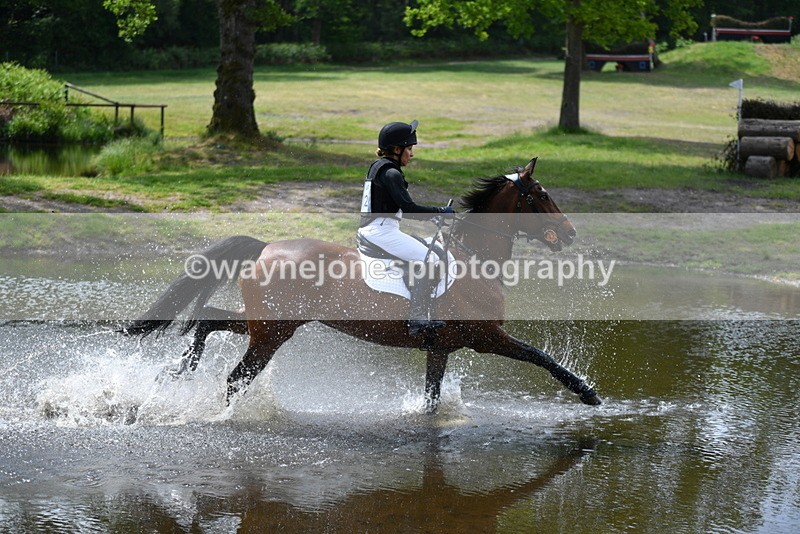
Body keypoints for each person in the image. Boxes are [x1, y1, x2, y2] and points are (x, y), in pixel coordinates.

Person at [358, 120, 454, 336]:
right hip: (381, 232)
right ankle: (418, 318)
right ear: (397, 149)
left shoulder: (378, 166)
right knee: (430, 259)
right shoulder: (392, 174)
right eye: (409, 149)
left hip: (379, 228)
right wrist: (439, 212)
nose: (412, 154)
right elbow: (409, 209)